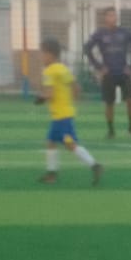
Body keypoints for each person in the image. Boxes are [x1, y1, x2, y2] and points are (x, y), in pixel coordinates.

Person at [35, 38, 104, 187]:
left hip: (61, 116)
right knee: (51, 142)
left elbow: (50, 94)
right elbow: (76, 87)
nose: (41, 57)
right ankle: (51, 174)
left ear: (50, 55)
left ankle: (94, 165)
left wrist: (40, 98)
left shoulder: (49, 71)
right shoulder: (63, 68)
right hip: (64, 113)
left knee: (70, 144)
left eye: (42, 54)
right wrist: (73, 101)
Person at [83, 7, 131, 139]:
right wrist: (99, 66)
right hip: (109, 74)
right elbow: (87, 48)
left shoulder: (125, 32)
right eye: (110, 15)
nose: (113, 18)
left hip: (124, 73)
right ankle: (111, 131)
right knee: (109, 103)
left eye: (114, 15)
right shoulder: (99, 33)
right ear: (105, 18)